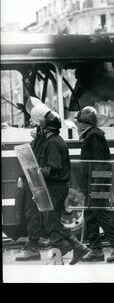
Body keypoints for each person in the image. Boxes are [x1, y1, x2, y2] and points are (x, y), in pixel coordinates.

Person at [75, 106, 114, 263]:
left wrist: (95, 186)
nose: (77, 125)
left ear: (85, 123)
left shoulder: (93, 136)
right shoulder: (91, 135)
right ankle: (95, 249)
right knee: (90, 215)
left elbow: (99, 163)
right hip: (94, 184)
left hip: (97, 184)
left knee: (100, 214)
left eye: (79, 122)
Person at [38, 110, 89, 265]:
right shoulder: (57, 140)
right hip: (58, 187)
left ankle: (59, 258)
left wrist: (39, 171)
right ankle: (76, 247)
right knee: (54, 222)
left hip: (55, 187)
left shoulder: (52, 142)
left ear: (45, 127)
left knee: (52, 223)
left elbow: (54, 168)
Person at [15, 103, 51, 261]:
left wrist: (22, 176)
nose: (30, 121)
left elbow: (31, 159)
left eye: (33, 119)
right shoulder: (43, 136)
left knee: (33, 213)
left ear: (40, 121)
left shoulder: (40, 138)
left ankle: (33, 247)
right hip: (36, 179)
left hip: (36, 180)